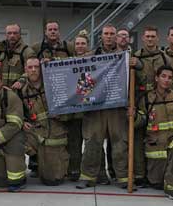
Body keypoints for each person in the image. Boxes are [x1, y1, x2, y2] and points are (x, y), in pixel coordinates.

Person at [77, 25, 129, 188]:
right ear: (101, 36)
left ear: (116, 36)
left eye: (112, 34)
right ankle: (87, 177)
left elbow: (137, 76)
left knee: (120, 143)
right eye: (106, 34)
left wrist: (137, 64)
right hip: (95, 107)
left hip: (116, 107)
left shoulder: (125, 56)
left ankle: (123, 178)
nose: (108, 36)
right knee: (92, 141)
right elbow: (77, 73)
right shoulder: (90, 56)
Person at [131, 65, 173, 199]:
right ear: (156, 78)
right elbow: (141, 122)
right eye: (163, 76)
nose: (167, 80)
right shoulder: (146, 99)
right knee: (156, 182)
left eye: (170, 77)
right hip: (155, 148)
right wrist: (134, 116)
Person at [20, 57, 70, 185]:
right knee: (13, 140)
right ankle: (18, 172)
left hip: (56, 131)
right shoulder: (21, 90)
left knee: (51, 180)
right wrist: (22, 121)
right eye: (30, 67)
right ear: (25, 70)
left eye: (36, 67)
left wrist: (62, 116)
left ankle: (44, 162)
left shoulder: (54, 84)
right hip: (35, 131)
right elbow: (14, 112)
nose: (33, 70)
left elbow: (71, 108)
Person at [66, 31, 90, 181]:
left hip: (90, 110)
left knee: (92, 142)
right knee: (74, 142)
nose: (80, 46)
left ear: (88, 46)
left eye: (83, 43)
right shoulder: (67, 62)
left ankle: (92, 171)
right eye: (77, 44)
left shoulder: (95, 61)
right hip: (74, 111)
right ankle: (74, 170)